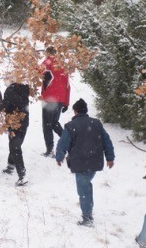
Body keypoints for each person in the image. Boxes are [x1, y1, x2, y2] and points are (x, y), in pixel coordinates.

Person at [55, 99, 115, 227]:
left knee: (84, 190)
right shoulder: (96, 124)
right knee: (86, 186)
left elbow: (63, 143)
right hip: (94, 162)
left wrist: (59, 156)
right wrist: (110, 157)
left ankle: (87, 217)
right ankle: (88, 212)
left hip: (80, 163)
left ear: (75, 111)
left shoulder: (71, 126)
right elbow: (107, 141)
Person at [1, 76, 31, 186]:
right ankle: (10, 166)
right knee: (15, 144)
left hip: (14, 122)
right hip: (24, 122)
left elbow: (6, 106)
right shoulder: (24, 88)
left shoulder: (10, 90)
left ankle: (22, 175)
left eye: (6, 79)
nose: (5, 82)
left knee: (15, 146)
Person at [40, 46, 70, 157]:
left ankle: (50, 149)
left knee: (47, 124)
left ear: (48, 53)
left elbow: (37, 71)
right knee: (54, 123)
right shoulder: (63, 65)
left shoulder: (48, 61)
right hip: (60, 99)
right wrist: (66, 102)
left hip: (49, 99)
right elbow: (68, 86)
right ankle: (67, 141)